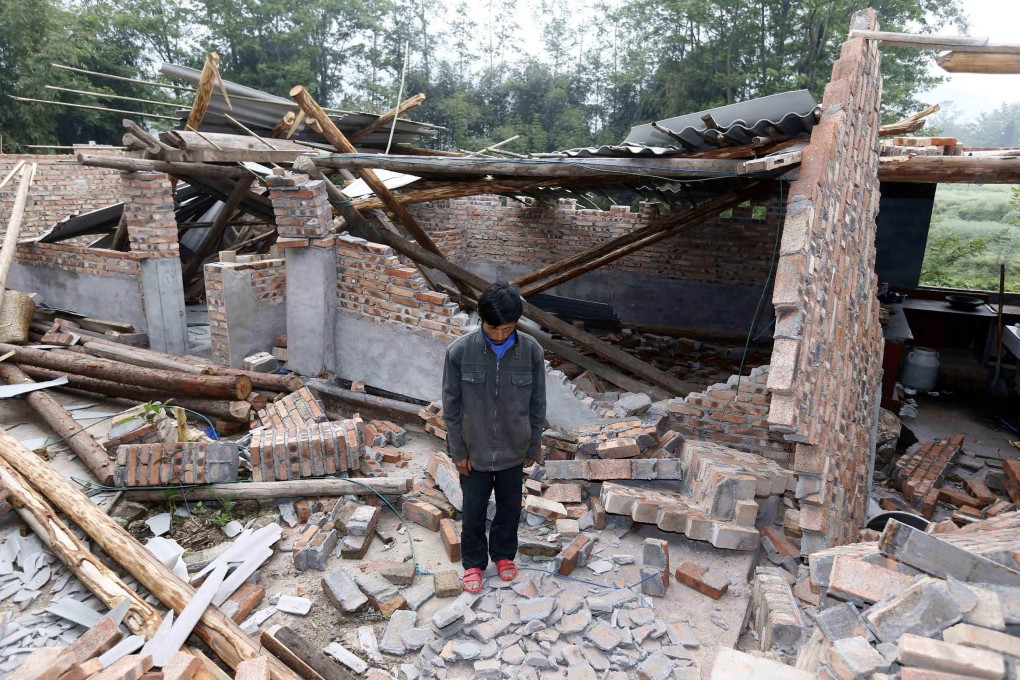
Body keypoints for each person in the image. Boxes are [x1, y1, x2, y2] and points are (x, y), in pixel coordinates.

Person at [442, 282, 546, 593]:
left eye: (507, 328)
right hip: (474, 451)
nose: (499, 335)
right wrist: (458, 449)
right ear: (480, 319)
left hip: (515, 449)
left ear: (517, 323)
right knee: (473, 510)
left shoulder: (531, 352)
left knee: (509, 507)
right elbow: (452, 405)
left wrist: (534, 444)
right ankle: (474, 562)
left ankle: (503, 555)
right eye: (492, 328)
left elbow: (537, 403)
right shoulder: (459, 352)